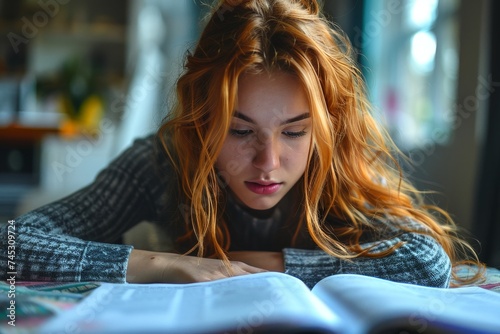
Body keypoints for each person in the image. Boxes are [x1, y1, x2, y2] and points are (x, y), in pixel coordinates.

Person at [1, 0, 482, 288]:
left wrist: (256, 266)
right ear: (201, 121)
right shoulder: (164, 160)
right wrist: (162, 265)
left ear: (323, 128)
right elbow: (10, 246)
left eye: (294, 131)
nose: (268, 163)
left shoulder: (333, 164)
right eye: (240, 130)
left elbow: (425, 259)